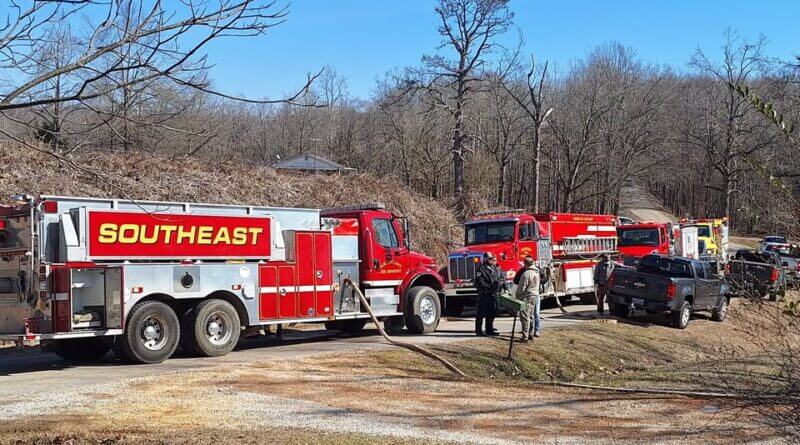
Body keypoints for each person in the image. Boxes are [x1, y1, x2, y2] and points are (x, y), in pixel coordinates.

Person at [475, 252, 503, 337]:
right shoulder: (481, 269)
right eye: (490, 259)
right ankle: (478, 331)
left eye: (492, 259)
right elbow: (480, 282)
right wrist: (489, 288)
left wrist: (499, 286)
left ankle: (489, 330)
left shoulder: (494, 268)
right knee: (481, 314)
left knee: (492, 313)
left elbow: (498, 278)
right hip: (484, 295)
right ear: (485, 259)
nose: (491, 260)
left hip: (493, 295)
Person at [514, 256, 541, 341]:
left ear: (525, 264)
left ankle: (525, 336)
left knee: (524, 316)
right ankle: (531, 333)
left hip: (527, 296)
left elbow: (521, 288)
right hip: (535, 295)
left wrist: (517, 296)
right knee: (532, 315)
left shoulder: (526, 274)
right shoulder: (536, 272)